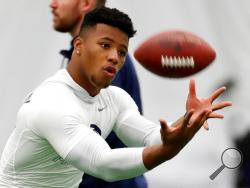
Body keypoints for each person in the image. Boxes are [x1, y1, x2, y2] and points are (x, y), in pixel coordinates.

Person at [0, 7, 232, 188]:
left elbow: (152, 137)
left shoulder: (114, 98)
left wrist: (188, 120)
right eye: (105, 45)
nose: (114, 57)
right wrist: (167, 151)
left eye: (122, 52)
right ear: (78, 46)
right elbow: (102, 164)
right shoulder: (51, 102)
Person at [50, 1, 145, 187]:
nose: (53, 4)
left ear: (85, 3)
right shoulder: (81, 59)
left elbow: (90, 139)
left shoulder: (104, 66)